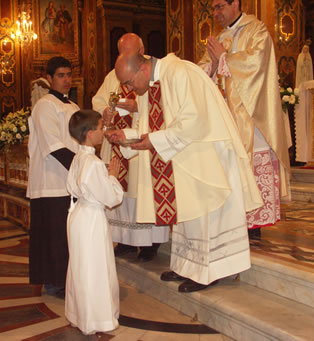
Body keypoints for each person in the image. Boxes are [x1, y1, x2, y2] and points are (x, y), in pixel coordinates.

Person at [108, 52, 262, 293]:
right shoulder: (152, 85)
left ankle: (208, 271)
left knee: (205, 216)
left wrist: (153, 140)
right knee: (188, 213)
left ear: (142, 68)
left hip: (206, 157)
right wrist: (127, 137)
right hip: (184, 158)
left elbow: (194, 122)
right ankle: (187, 266)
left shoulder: (181, 72)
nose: (128, 88)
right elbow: (150, 128)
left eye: (128, 82)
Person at [198, 0, 291, 238]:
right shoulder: (218, 38)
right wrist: (211, 65)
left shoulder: (256, 30)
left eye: (219, 7)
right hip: (224, 116)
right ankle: (233, 220)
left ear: (236, 4)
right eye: (213, 9)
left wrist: (224, 58)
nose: (215, 13)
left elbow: (256, 64)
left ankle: (254, 227)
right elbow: (203, 69)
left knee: (252, 164)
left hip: (251, 117)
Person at [92, 32, 169, 262]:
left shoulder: (154, 71)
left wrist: (138, 106)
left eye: (131, 52)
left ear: (142, 49)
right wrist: (105, 111)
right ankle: (124, 240)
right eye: (122, 52)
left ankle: (150, 243)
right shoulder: (112, 76)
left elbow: (163, 102)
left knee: (141, 190)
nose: (126, 56)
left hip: (140, 142)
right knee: (121, 193)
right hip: (116, 142)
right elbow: (98, 100)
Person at [65, 110, 123, 335]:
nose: (104, 131)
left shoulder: (78, 157)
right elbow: (111, 198)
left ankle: (78, 314)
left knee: (81, 265)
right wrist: (112, 176)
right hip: (91, 219)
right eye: (101, 128)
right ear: (90, 133)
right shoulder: (93, 162)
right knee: (95, 267)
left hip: (78, 215)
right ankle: (96, 319)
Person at [26, 56, 79, 299]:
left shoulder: (74, 107)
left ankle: (66, 279)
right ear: (49, 79)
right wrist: (84, 168)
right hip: (49, 183)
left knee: (66, 237)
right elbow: (54, 146)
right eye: (60, 75)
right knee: (53, 237)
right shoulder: (45, 105)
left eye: (69, 74)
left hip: (68, 183)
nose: (66, 80)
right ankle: (55, 283)